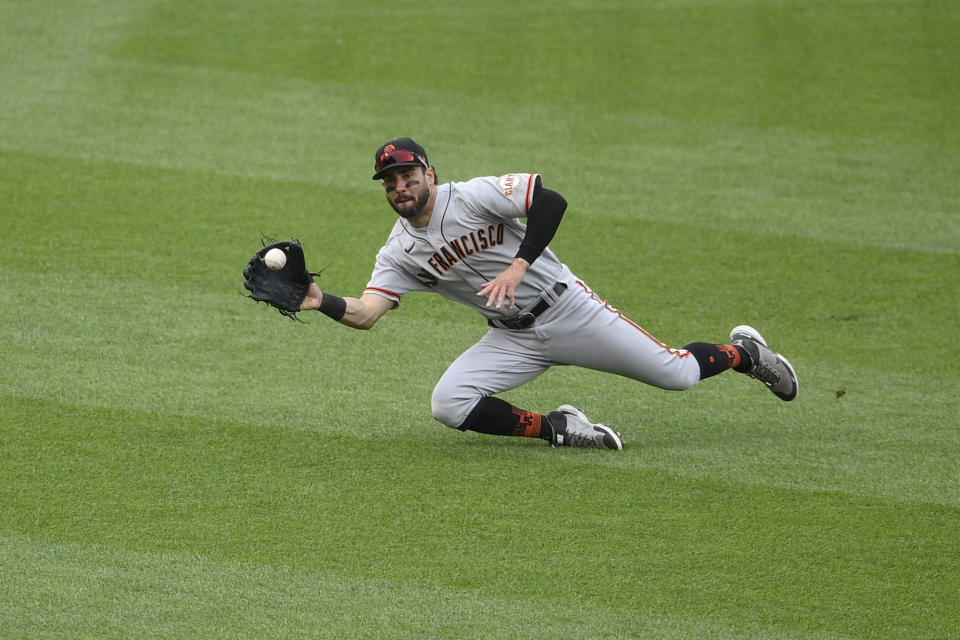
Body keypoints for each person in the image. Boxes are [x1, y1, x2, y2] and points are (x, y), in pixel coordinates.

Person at [299, 138, 798, 449]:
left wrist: (518, 266)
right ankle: (559, 428)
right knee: (449, 404)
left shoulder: (471, 195)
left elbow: (551, 201)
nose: (400, 187)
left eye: (408, 176)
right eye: (390, 182)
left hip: (569, 309)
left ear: (429, 174)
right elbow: (366, 313)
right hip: (512, 338)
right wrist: (320, 301)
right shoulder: (399, 252)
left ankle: (745, 353)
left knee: (679, 375)